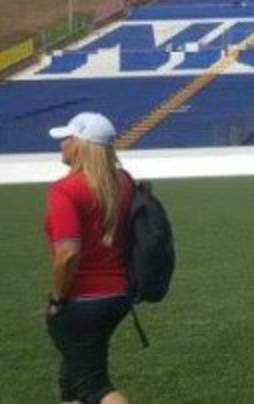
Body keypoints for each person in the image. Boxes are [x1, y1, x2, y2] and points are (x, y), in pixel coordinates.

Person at [44, 112, 134, 404]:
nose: (62, 145)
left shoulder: (65, 190)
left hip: (82, 300)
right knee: (72, 378)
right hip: (118, 295)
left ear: (81, 145)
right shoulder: (123, 182)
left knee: (94, 386)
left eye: (67, 139)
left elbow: (68, 254)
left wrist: (57, 299)